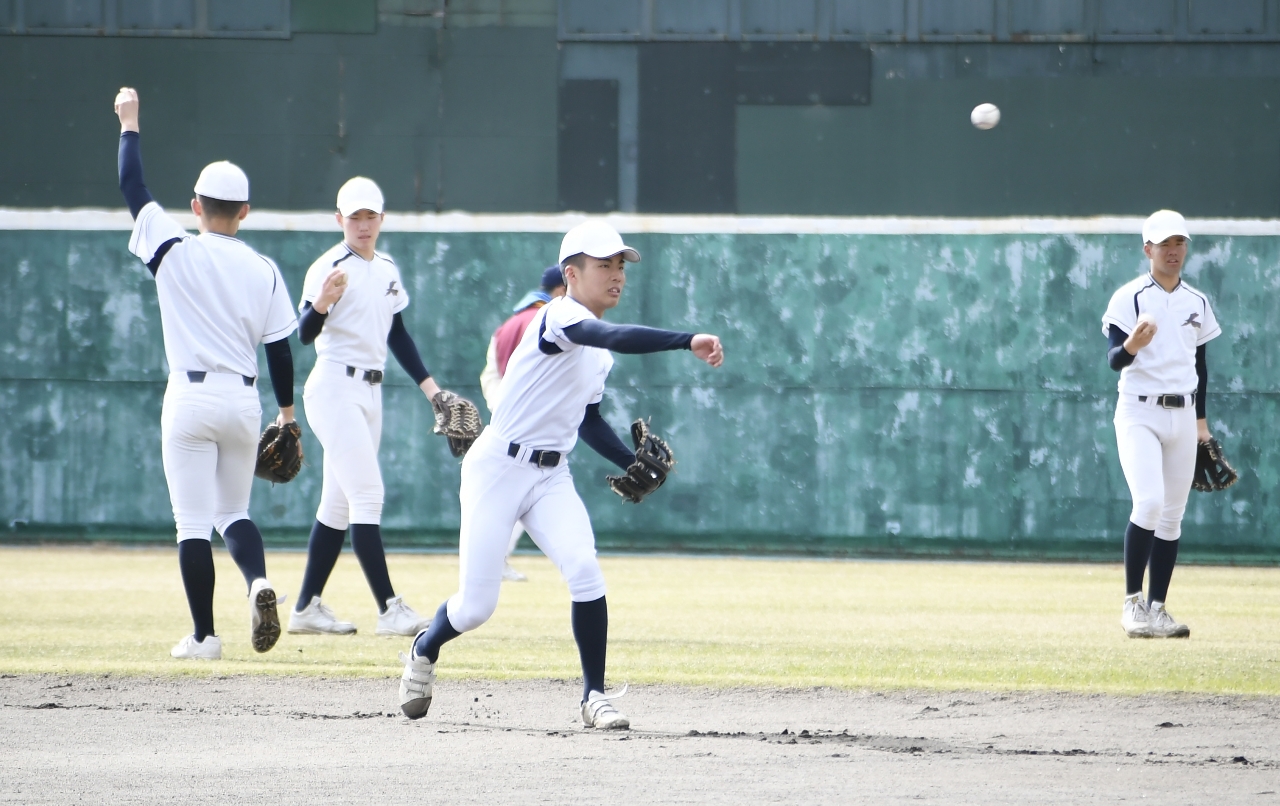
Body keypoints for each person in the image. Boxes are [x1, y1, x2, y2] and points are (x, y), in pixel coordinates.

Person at [397, 220, 724, 729]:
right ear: (571, 274)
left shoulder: (598, 355)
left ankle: (594, 696)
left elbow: (587, 420)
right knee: (476, 607)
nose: (616, 275)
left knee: (585, 570)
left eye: (621, 265)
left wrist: (628, 462)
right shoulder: (560, 317)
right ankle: (425, 645)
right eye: (604, 265)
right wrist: (687, 341)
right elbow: (611, 332)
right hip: (497, 468)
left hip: (551, 475)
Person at [113, 87, 297, 660]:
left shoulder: (174, 249)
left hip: (189, 399)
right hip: (244, 403)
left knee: (192, 522)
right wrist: (287, 415)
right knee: (234, 513)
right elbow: (281, 350)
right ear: (245, 211)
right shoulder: (264, 269)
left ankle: (204, 637)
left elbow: (132, 187)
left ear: (196, 206)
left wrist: (130, 122)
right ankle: (259, 581)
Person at [285, 177, 449, 637]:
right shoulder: (328, 267)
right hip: (335, 386)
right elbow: (303, 334)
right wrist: (320, 305)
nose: (362, 224)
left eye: (369, 215)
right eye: (353, 216)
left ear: (381, 219)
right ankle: (389, 608)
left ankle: (305, 609)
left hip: (370, 391)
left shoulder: (388, 269)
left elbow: (398, 334)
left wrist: (432, 391)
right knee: (368, 496)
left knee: (338, 505)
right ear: (339, 220)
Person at [1102, 209, 1221, 639]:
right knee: (1149, 503)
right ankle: (1132, 605)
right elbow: (1115, 359)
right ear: (1147, 249)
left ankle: (1158, 610)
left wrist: (1201, 424)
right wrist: (1133, 343)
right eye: (1165, 244)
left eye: (1180, 243)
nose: (1173, 251)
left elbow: (1200, 367)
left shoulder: (1197, 301)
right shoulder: (1130, 297)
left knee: (1172, 517)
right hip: (1139, 411)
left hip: (1184, 415)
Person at [478, 265, 567, 582]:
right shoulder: (546, 320)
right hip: (534, 425)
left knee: (511, 495)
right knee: (523, 494)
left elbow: (491, 374)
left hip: (506, 419)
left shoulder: (508, 324)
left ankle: (493, 558)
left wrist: (498, 408)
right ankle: (494, 559)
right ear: (561, 289)